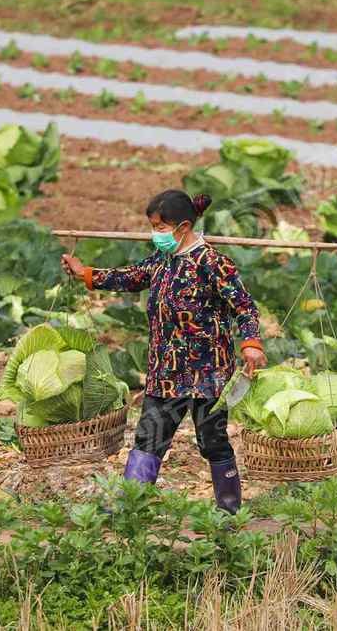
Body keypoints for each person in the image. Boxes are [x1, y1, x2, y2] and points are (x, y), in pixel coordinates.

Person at [61, 190, 267, 514]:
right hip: (166, 372)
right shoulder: (161, 259)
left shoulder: (212, 263)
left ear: (183, 227)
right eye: (153, 226)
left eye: (160, 227)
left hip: (208, 375)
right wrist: (86, 273)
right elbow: (130, 277)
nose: (155, 233)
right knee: (149, 438)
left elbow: (244, 307)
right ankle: (129, 507)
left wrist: (251, 343)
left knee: (212, 441)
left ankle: (229, 511)